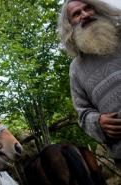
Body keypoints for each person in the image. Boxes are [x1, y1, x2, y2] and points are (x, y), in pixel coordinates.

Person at [58, 0, 121, 169]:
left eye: (88, 8)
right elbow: (83, 113)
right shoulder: (76, 69)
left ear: (98, 9)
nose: (85, 15)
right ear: (70, 25)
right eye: (76, 14)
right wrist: (99, 122)